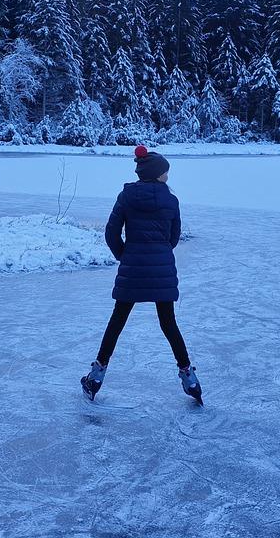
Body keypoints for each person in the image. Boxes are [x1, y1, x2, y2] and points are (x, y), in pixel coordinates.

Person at [81, 145, 202, 405]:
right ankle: (189, 378)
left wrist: (125, 255)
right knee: (168, 324)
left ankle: (96, 375)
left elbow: (111, 233)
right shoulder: (171, 200)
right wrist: (158, 252)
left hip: (132, 268)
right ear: (157, 174)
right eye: (165, 173)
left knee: (117, 321)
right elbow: (173, 237)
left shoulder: (126, 197)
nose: (168, 177)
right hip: (162, 271)